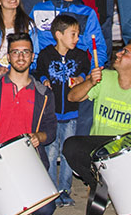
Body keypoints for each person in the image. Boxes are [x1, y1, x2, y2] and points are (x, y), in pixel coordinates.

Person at [60, 42, 131, 214]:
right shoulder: (105, 77)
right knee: (70, 145)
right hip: (98, 147)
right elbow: (72, 97)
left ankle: (108, 188)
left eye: (125, 53)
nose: (119, 54)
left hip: (124, 150)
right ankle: (100, 185)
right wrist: (90, 82)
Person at [0, 35, 58, 215]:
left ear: (33, 57)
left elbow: (51, 128)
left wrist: (39, 137)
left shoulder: (44, 93)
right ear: (8, 57)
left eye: (25, 52)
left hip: (29, 163)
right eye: (15, 52)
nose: (21, 57)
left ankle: (23, 199)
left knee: (46, 211)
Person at [33, 12, 93, 205]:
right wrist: (44, 80)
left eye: (78, 34)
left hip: (73, 112)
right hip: (52, 113)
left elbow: (85, 70)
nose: (77, 38)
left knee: (67, 152)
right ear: (59, 35)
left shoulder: (80, 55)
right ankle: (51, 190)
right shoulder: (46, 54)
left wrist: (81, 79)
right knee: (51, 150)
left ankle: (64, 189)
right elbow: (40, 71)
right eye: (73, 34)